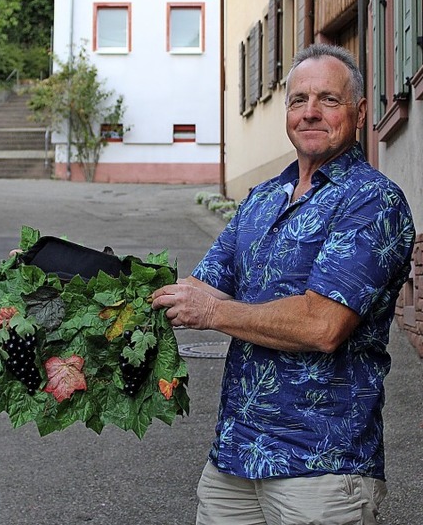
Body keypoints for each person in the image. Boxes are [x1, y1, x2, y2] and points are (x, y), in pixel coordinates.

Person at [152, 43, 415, 525]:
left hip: (320, 467)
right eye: (298, 100)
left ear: (358, 113)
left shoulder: (373, 202)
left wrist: (214, 314)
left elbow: (323, 325)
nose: (310, 112)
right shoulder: (263, 197)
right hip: (234, 460)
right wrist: (70, 279)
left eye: (328, 100)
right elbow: (204, 287)